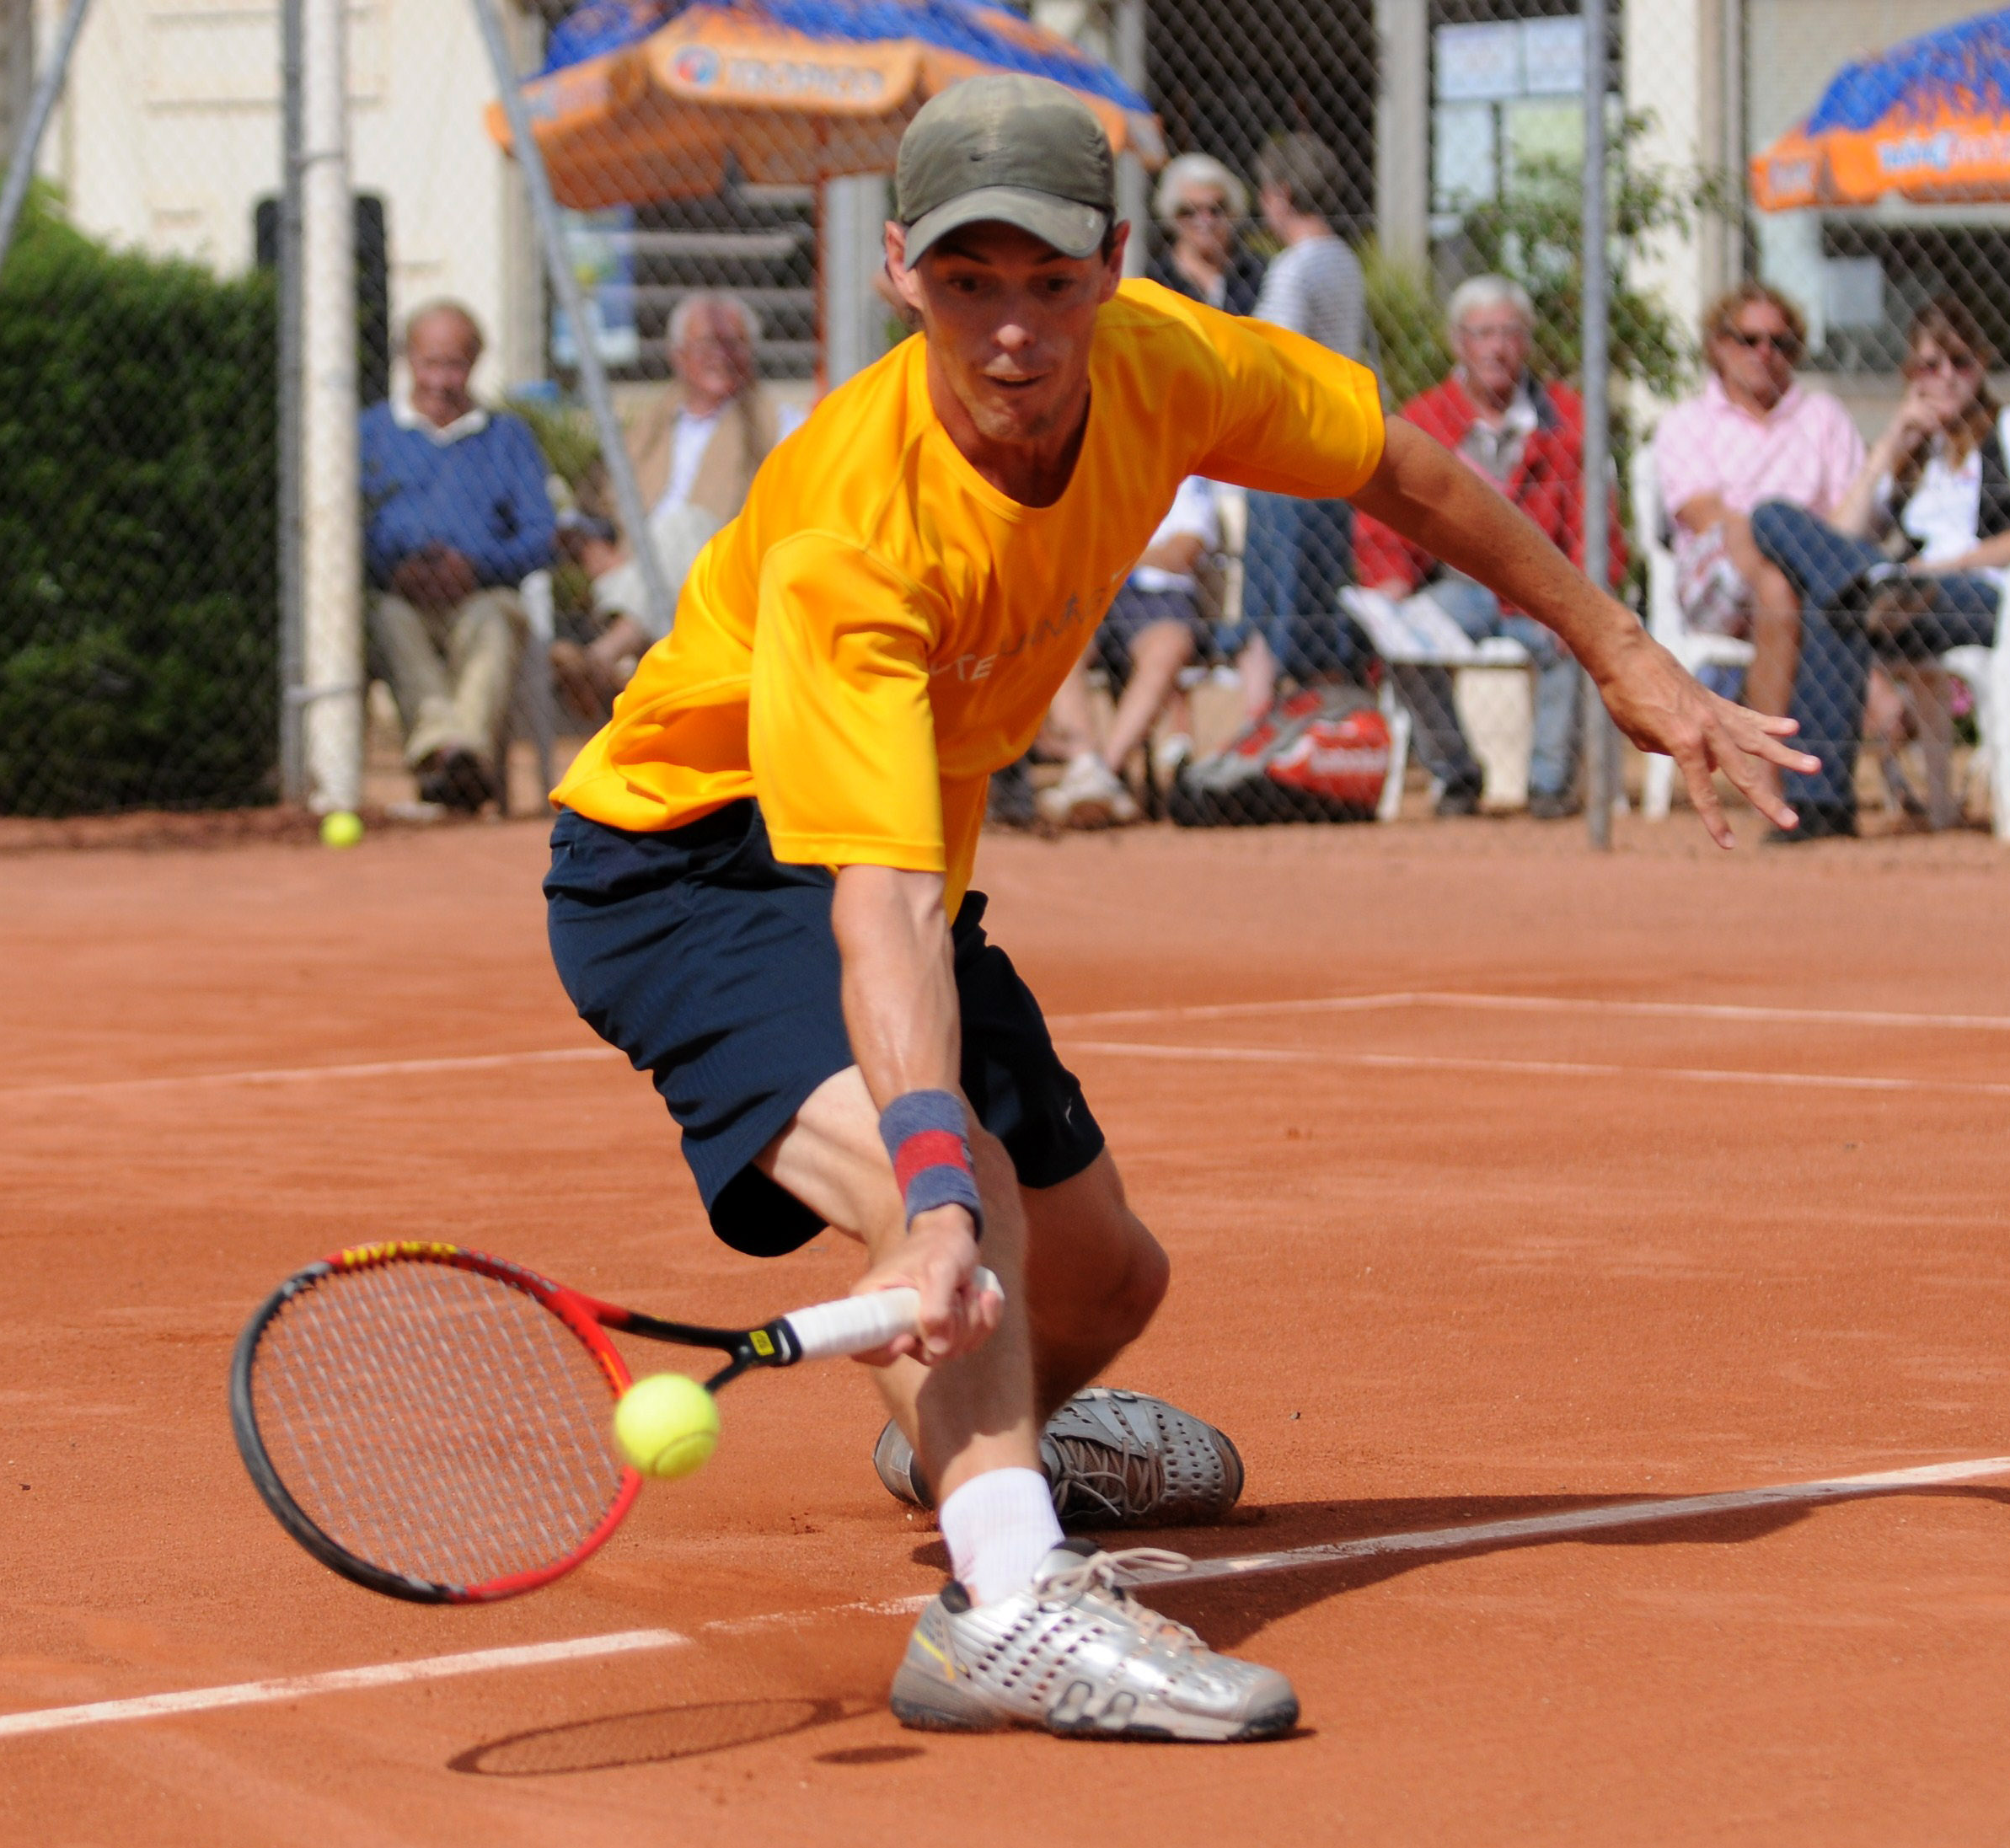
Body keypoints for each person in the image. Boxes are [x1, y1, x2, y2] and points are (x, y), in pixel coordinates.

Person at [542, 75, 1804, 1742]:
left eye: (1051, 283)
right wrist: (925, 1194)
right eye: (970, 283)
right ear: (897, 273)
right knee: (965, 1190)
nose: (1012, 330)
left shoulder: (1164, 360)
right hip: (692, 867)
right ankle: (999, 1605)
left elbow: (1405, 474)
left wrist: (1618, 648)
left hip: (895, 847)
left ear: (1115, 266)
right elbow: (882, 914)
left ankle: (965, 1421)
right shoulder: (856, 528)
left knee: (1108, 1280)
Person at [1747, 297, 2010, 839]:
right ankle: (1823, 807)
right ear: (1911, 375)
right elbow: (1841, 537)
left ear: (1981, 367)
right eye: (1930, 366)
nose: (1946, 378)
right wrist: (1888, 448)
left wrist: (1956, 563)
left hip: (1985, 598)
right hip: (1904, 595)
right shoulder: (1914, 455)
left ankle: (1818, 803)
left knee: (1841, 595)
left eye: (1960, 363)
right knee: (1780, 526)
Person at [1354, 276, 1626, 818]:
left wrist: (1580, 599)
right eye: (1482, 334)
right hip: (1460, 585)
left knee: (1573, 637)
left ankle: (1549, 787)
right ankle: (1454, 774)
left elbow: (1594, 523)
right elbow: (1385, 514)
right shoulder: (1426, 419)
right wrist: (1391, 580)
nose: (1496, 348)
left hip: (1542, 584)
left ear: (1526, 342)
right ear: (1459, 342)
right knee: (1402, 641)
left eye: (1509, 333)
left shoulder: (1566, 419)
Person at [553, 292, 785, 720]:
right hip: (631, 577)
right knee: (661, 538)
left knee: (683, 522)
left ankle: (605, 660)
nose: (721, 356)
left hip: (721, 574)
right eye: (706, 345)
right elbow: (588, 503)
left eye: (733, 344)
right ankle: (628, 674)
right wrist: (589, 547)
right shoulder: (648, 426)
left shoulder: (775, 422)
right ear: (678, 355)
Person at [362, 301, 555, 812]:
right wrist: (394, 570)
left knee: (494, 621)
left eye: (455, 365)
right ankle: (457, 757)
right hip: (397, 595)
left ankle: (450, 759)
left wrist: (475, 568)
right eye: (430, 364)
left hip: (481, 595)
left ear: (475, 364)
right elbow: (344, 532)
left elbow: (541, 536)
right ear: (407, 360)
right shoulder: (371, 434)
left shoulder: (507, 436)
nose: (442, 380)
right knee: (388, 621)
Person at [1649, 284, 1865, 665]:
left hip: (1810, 582)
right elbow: (1706, 519)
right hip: (1721, 573)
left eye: (1779, 342)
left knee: (1779, 592)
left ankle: (1773, 726)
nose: (1764, 353)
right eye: (1749, 340)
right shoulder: (1687, 422)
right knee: (1785, 585)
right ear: (1719, 346)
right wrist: (1792, 548)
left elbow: (1849, 520)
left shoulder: (1824, 417)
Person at [1235, 131, 1370, 723]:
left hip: (1286, 453)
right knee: (1313, 596)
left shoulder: (1293, 268)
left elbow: (1271, 360)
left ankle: (1265, 728)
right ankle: (1274, 727)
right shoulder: (1343, 260)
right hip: (1334, 447)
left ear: (1281, 194)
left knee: (1272, 605)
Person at [1038, 475, 1223, 828]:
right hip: (1090, 587)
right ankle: (1085, 766)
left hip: (1156, 595)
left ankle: (1102, 775)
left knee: (1169, 646)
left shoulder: (1186, 466)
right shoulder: (1088, 457)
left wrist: (1107, 554)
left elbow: (1182, 551)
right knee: (1058, 641)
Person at [1145, 153, 1265, 314]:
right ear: (1172, 215)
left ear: (1233, 211)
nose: (1204, 221)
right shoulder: (1156, 279)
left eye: (1215, 209)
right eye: (1189, 211)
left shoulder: (1257, 273)